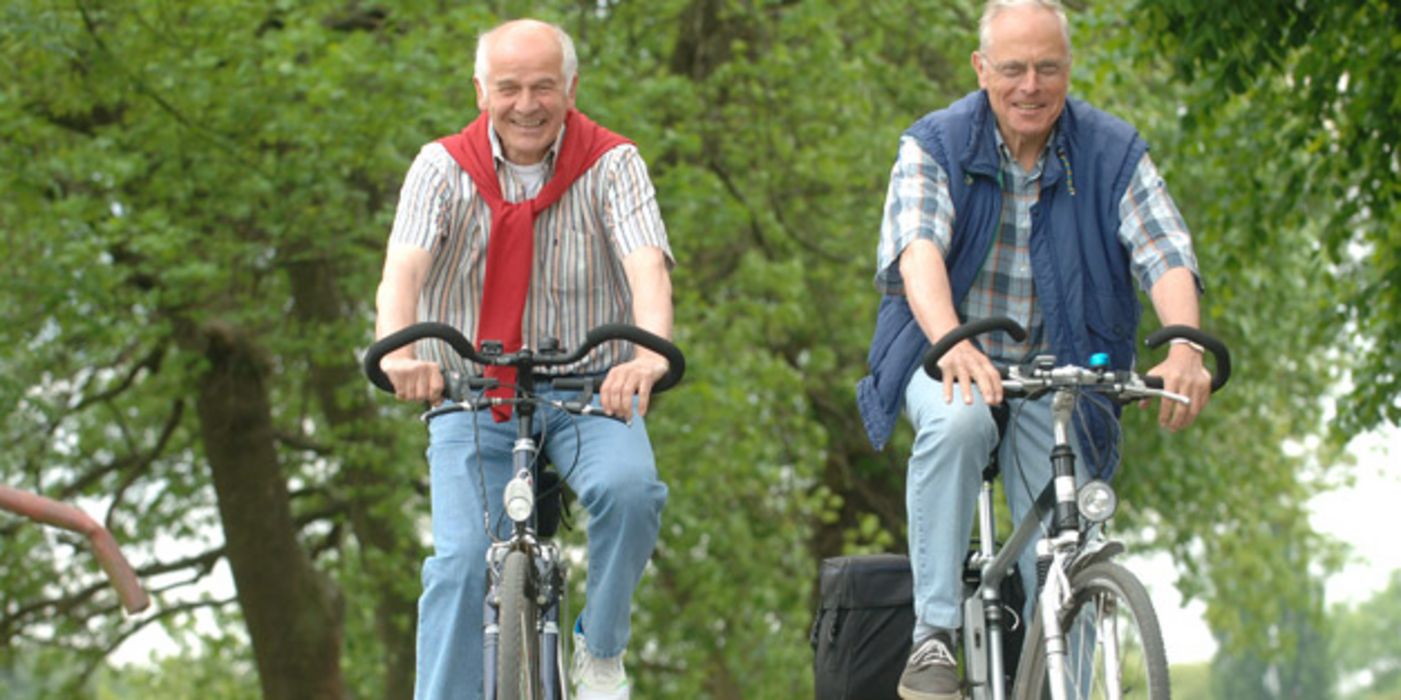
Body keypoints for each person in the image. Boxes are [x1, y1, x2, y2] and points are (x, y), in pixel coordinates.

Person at [854, 2, 1212, 698]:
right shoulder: (936, 144)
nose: (1030, 85)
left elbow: (1164, 249)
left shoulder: (1111, 152)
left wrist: (1184, 345)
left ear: (1068, 68)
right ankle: (933, 636)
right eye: (1012, 68)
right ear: (980, 70)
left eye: (1047, 68)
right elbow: (916, 251)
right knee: (957, 422)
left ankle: (1065, 670)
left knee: (1061, 519)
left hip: (1059, 367)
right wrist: (950, 342)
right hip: (943, 353)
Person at [374, 18, 674, 700]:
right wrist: (398, 349)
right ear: (481, 92)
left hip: (589, 388)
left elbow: (647, 272)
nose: (527, 104)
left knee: (630, 492)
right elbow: (402, 273)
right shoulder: (440, 167)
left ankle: (599, 650)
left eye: (543, 85)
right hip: (470, 391)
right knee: (457, 565)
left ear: (570, 87)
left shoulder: (612, 164)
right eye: (508, 88)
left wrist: (647, 357)